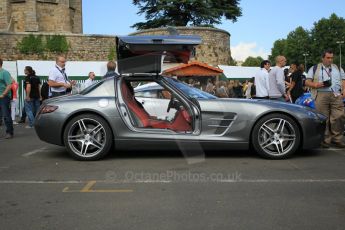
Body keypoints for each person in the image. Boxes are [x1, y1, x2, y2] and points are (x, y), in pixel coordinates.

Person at [305, 49, 345, 148]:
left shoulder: (338, 68)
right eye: (328, 58)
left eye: (331, 58)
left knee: (339, 116)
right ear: (322, 58)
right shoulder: (314, 68)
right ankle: (325, 140)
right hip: (321, 94)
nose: (330, 60)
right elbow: (307, 82)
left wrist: (343, 91)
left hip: (336, 95)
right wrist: (315, 84)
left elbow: (343, 80)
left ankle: (337, 139)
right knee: (323, 118)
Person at [0, 58, 14, 139]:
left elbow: (9, 85)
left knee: (6, 115)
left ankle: (9, 132)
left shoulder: (4, 73)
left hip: (4, 97)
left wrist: (3, 94)